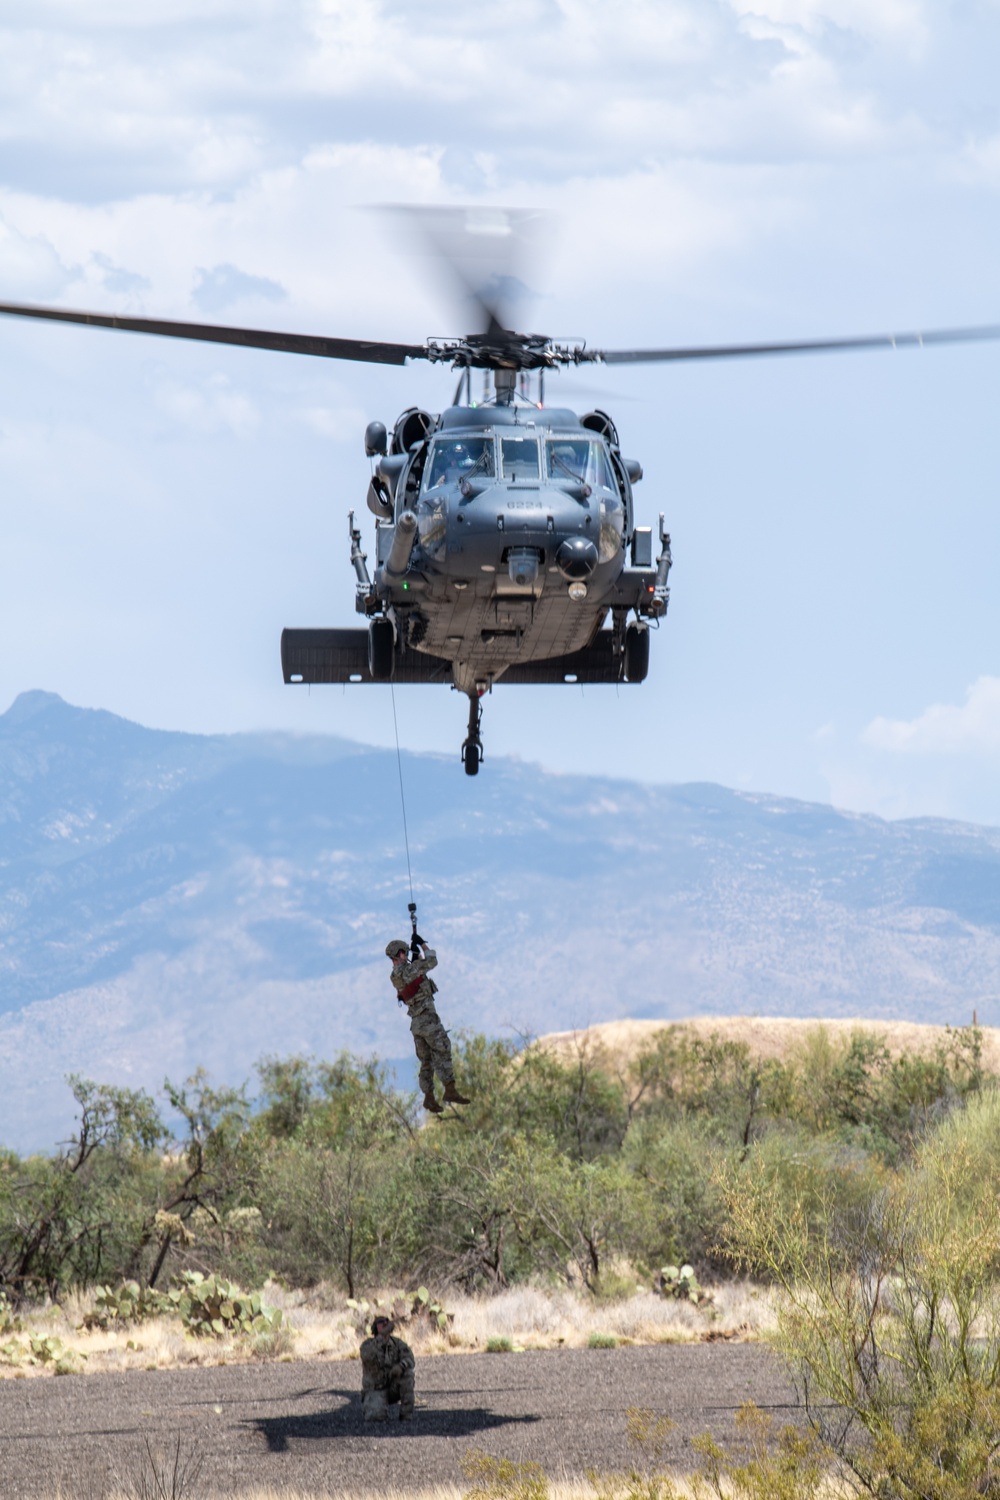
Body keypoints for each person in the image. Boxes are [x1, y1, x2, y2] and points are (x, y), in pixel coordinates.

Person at [385, 936, 471, 1113]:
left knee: (427, 1061)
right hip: (427, 1019)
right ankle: (450, 1089)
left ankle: (429, 1097)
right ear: (401, 954)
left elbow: (414, 974)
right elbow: (432, 961)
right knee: (443, 1048)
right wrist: (423, 944)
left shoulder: (395, 976)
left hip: (416, 1024)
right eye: (406, 953)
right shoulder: (411, 969)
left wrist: (415, 955)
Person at [360, 1315, 415, 1422]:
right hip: (375, 1389)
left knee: (408, 1375)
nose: (385, 1324)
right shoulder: (367, 1345)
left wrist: (401, 1366)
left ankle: (406, 1416)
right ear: (375, 1327)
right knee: (375, 1419)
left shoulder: (398, 1343)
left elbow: (409, 1359)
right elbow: (367, 1357)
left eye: (387, 1322)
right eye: (381, 1322)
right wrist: (381, 1336)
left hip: (392, 1388)